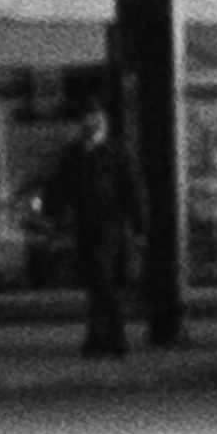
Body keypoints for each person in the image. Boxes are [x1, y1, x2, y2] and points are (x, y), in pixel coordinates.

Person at [59, 103, 148, 355]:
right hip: (86, 225)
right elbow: (62, 187)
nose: (91, 127)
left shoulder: (115, 154)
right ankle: (102, 337)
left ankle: (109, 337)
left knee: (101, 279)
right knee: (97, 282)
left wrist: (139, 225)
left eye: (96, 121)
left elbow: (132, 191)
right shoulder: (75, 154)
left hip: (109, 225)